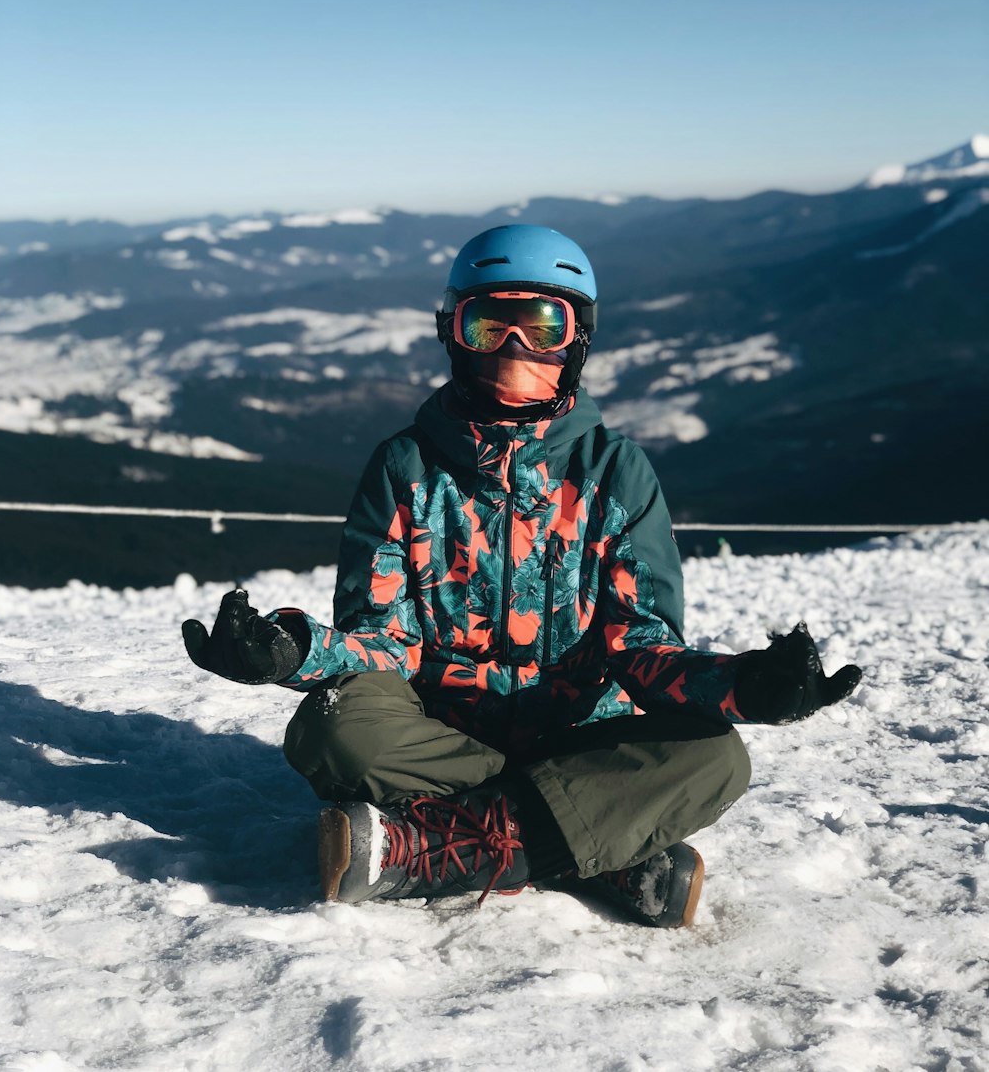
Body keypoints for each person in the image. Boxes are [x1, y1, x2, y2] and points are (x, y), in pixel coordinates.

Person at [183, 224, 862, 927]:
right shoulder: (406, 468)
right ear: (454, 333)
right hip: (438, 732)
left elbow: (643, 649)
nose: (515, 348)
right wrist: (296, 651)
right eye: (489, 324)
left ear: (578, 340)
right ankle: (598, 840)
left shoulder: (614, 473)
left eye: (542, 326)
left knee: (718, 756)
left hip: (572, 730)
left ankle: (426, 846)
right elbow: (382, 641)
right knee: (332, 729)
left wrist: (745, 686)